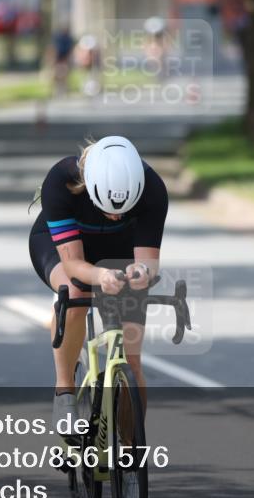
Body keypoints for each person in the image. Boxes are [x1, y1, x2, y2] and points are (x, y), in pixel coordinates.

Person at [28, 136, 168, 429]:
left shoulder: (153, 189)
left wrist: (141, 273)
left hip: (120, 249)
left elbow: (148, 262)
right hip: (64, 249)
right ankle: (64, 391)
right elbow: (73, 264)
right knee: (75, 290)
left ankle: (131, 456)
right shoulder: (62, 181)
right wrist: (102, 276)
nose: (116, 214)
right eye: (108, 208)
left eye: (123, 209)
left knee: (132, 359)